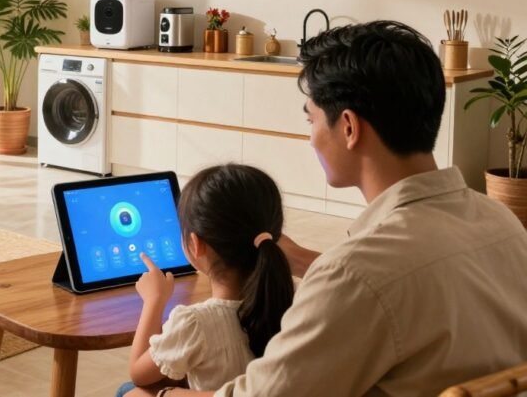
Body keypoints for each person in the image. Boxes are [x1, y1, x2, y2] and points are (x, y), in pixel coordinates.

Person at [171, 21, 527, 397]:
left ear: (348, 127)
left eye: (311, 119)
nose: (310, 138)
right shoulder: (501, 222)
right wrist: (309, 262)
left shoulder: (354, 274)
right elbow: (405, 282)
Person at [116, 165, 294, 397]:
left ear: (195, 243)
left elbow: (139, 372)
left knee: (128, 390)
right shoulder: (289, 299)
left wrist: (154, 300)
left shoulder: (194, 323)